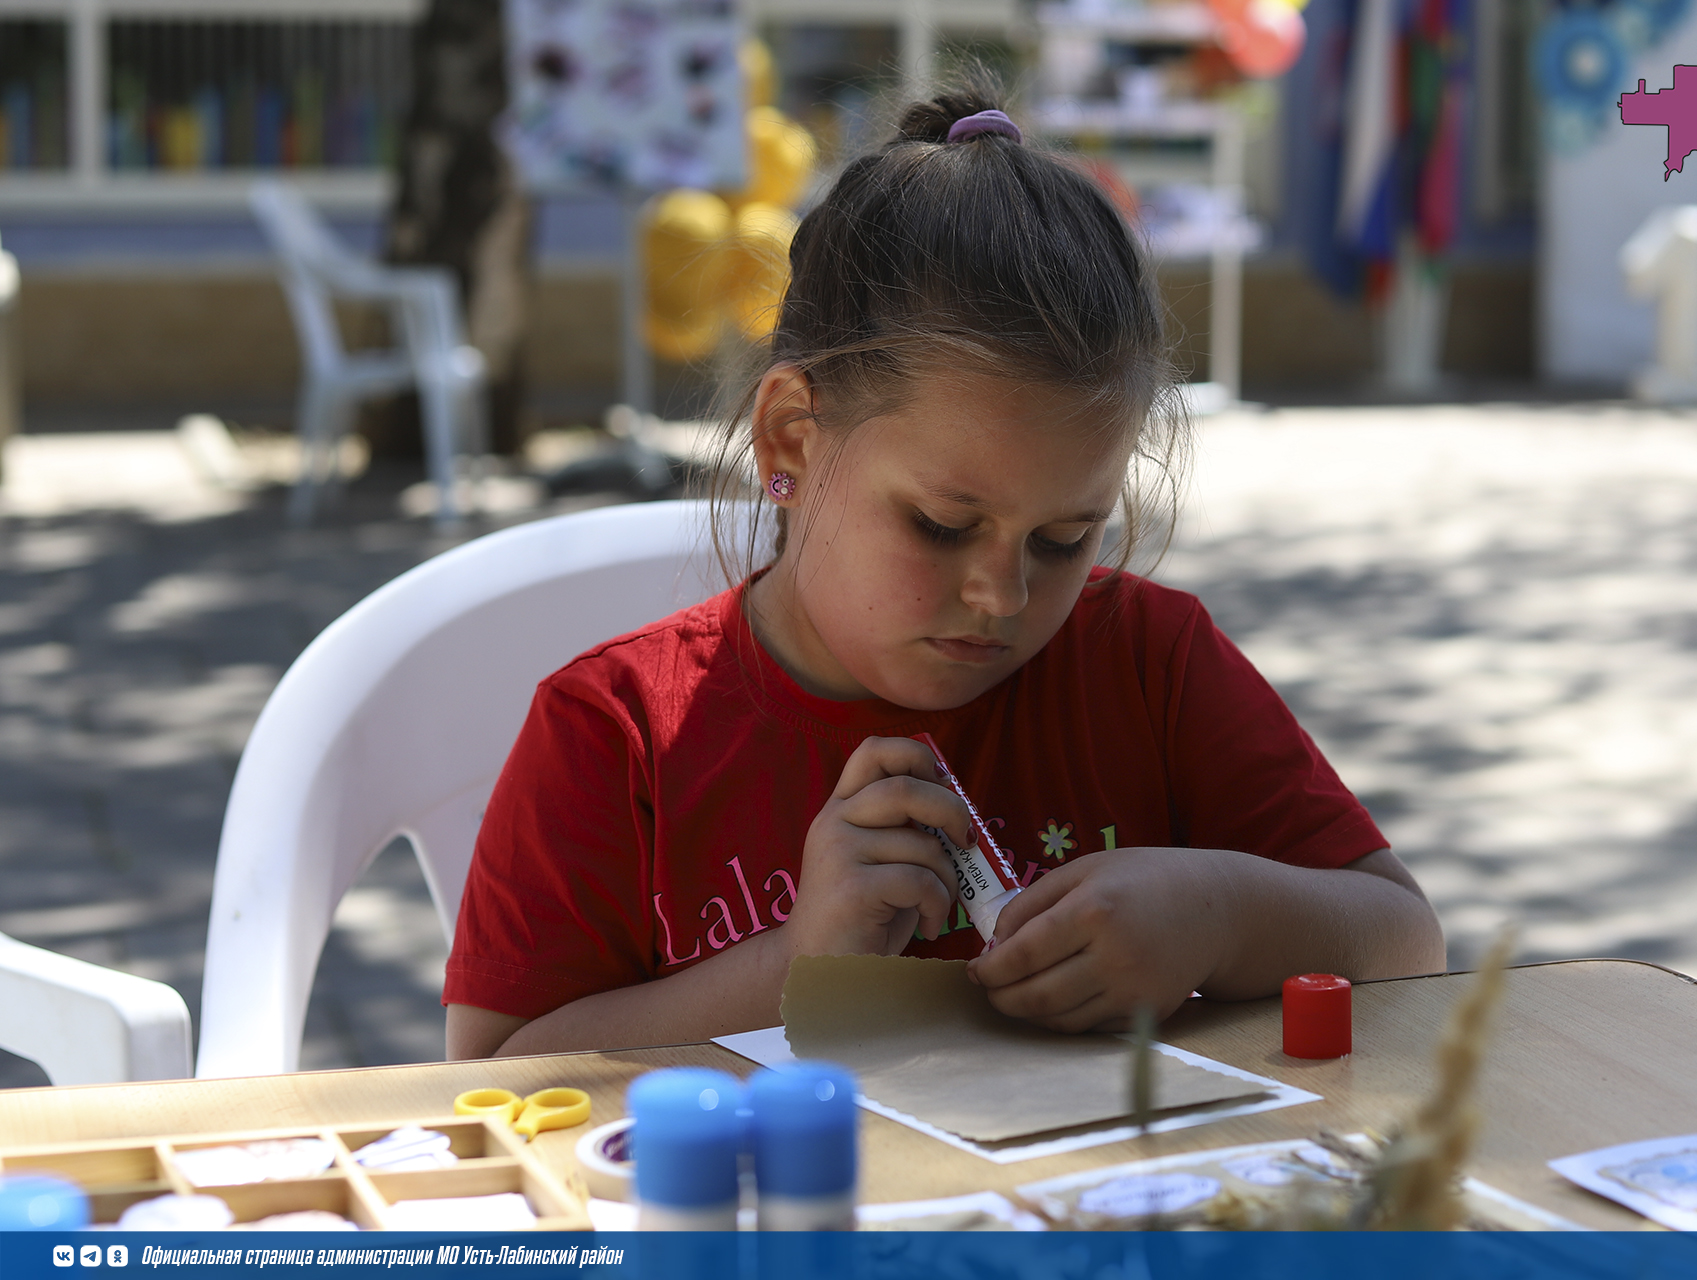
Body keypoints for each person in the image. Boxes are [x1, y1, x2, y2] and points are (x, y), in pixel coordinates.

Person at [444, 87, 1444, 1060]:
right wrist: (797, 964)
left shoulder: (1151, 664)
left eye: (1063, 539)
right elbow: (489, 1072)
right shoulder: (616, 734)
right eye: (941, 524)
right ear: (792, 438)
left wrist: (1221, 914)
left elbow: (1403, 939)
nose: (1001, 596)